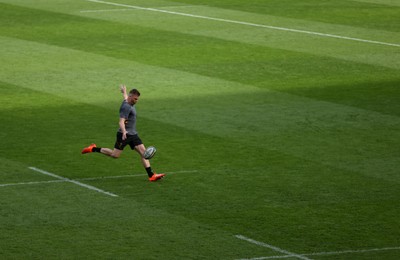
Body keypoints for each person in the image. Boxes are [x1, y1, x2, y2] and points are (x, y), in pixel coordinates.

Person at [81, 85, 165, 182]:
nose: (136, 101)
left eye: (137, 99)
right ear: (131, 97)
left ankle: (151, 175)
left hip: (133, 135)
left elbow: (125, 97)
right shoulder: (126, 107)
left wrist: (124, 92)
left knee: (144, 153)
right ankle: (93, 148)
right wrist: (124, 131)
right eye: (135, 99)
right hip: (124, 135)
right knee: (115, 155)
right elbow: (121, 121)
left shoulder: (128, 101)